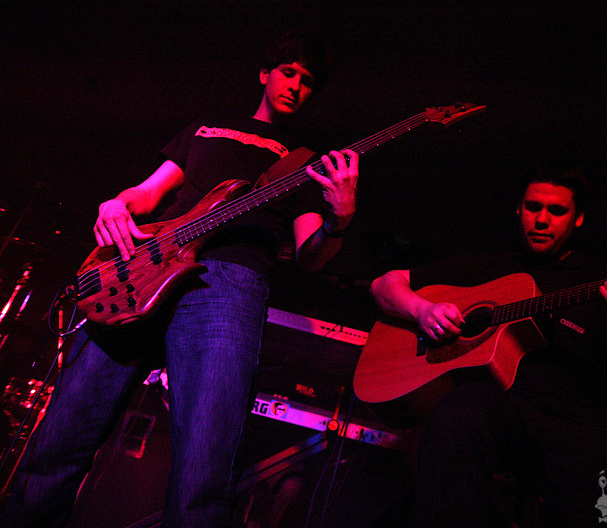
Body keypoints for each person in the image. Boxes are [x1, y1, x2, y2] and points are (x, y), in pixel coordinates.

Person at [0, 30, 359, 527]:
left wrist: (338, 221)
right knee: (61, 437)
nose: (296, 86)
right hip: (144, 266)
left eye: (308, 81)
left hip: (228, 282)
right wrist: (115, 204)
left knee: (202, 469)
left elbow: (309, 255)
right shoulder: (207, 128)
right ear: (265, 73)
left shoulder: (304, 162)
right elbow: (148, 194)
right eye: (288, 72)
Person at [369, 161, 607, 527]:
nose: (542, 220)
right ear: (519, 209)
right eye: (533, 207)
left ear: (578, 219)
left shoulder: (602, 280)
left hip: (576, 414)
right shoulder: (490, 266)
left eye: (557, 211)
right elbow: (385, 285)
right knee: (459, 411)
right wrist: (423, 311)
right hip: (501, 403)